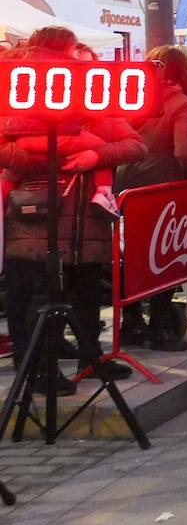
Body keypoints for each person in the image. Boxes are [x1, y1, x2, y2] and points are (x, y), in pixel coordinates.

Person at [0, 28, 147, 393]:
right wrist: (48, 159)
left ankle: (88, 357)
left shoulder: (97, 112)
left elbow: (136, 145)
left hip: (85, 222)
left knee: (84, 290)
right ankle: (37, 368)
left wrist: (95, 154)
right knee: (37, 293)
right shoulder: (19, 101)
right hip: (37, 218)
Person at [115, 45, 187, 352]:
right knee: (165, 258)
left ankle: (130, 323)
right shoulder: (181, 103)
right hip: (163, 191)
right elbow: (185, 151)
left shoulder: (133, 98)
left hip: (125, 187)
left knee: (127, 257)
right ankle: (160, 327)